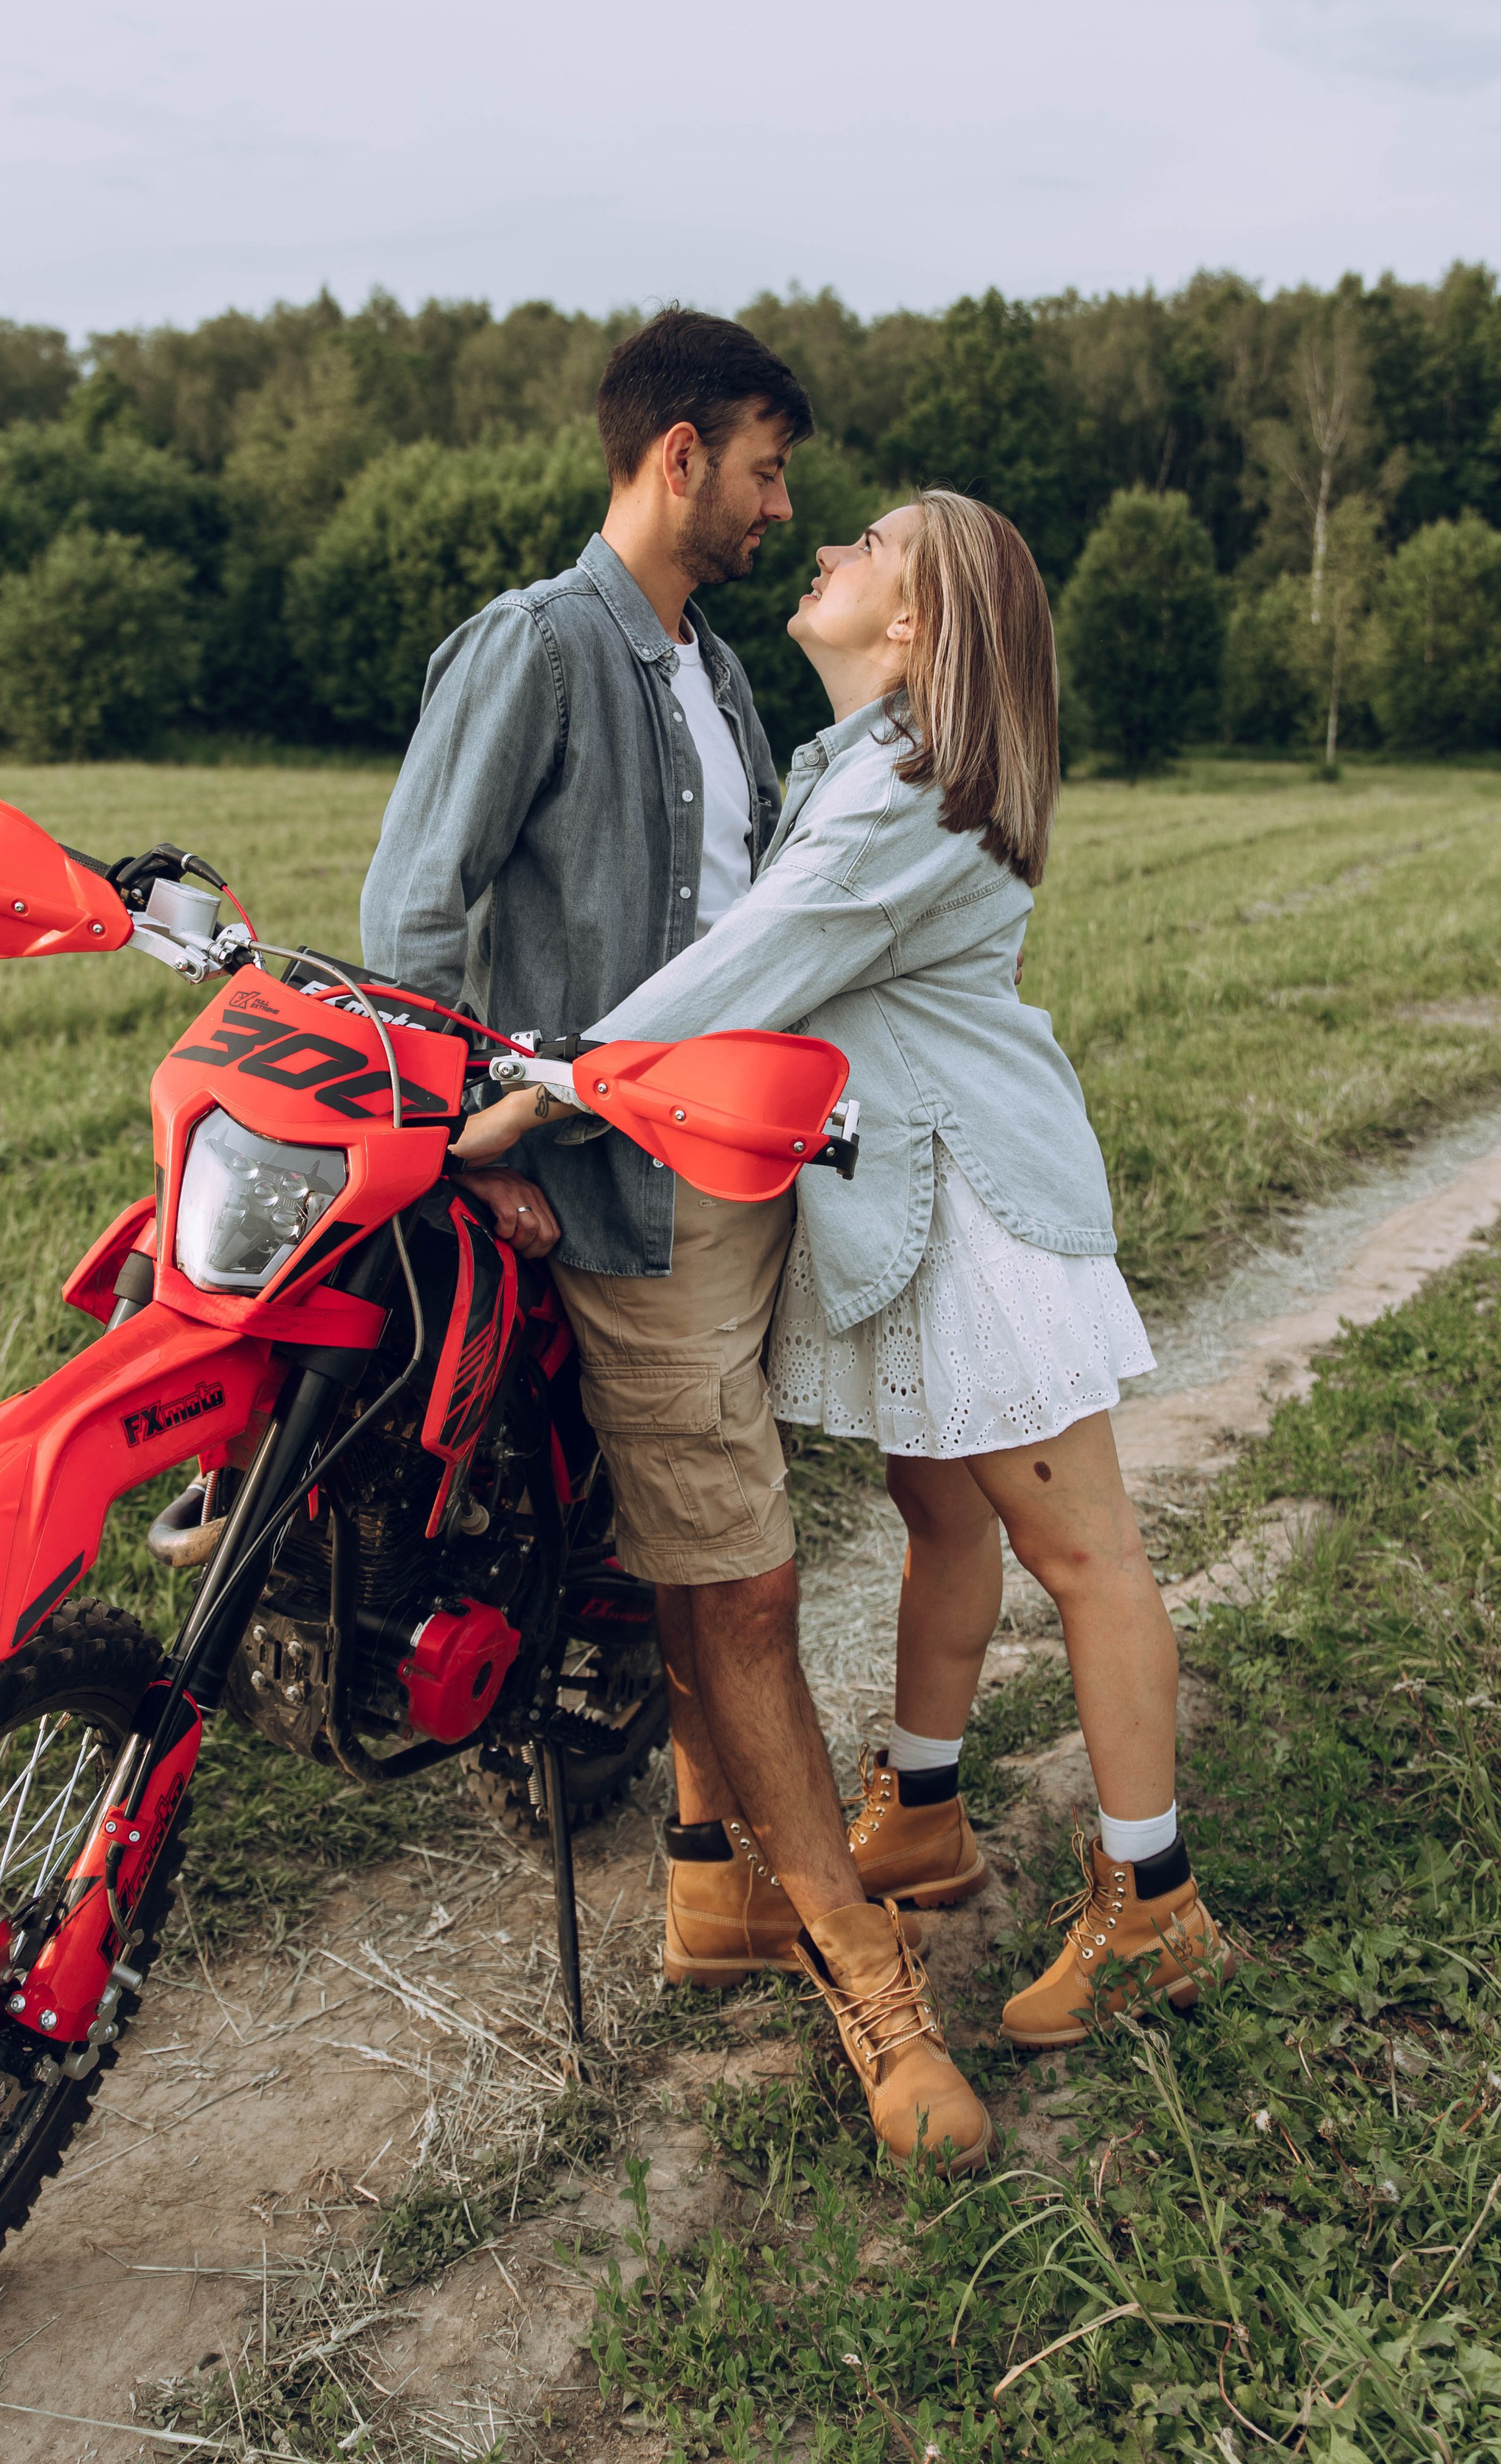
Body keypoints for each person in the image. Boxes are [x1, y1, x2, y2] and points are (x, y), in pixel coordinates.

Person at [461, 488, 1232, 2098]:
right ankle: (927, 1811)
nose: (825, 550)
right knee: (941, 1519)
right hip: (907, 1196)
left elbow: (757, 955)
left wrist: (539, 1091)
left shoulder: (910, 789)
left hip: (976, 1206)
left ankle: (1151, 1900)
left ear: (918, 626)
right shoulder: (862, 765)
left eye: (868, 545)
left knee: (1080, 1548)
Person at [364, 313, 993, 2174]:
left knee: (721, 1548)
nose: (781, 506)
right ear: (676, 461)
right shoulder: (540, 645)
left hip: (742, 1192)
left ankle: (710, 1890)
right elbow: (415, 911)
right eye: (767, 468)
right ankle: (874, 2001)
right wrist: (459, 1151)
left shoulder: (712, 678)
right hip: (619, 1204)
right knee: (736, 1586)